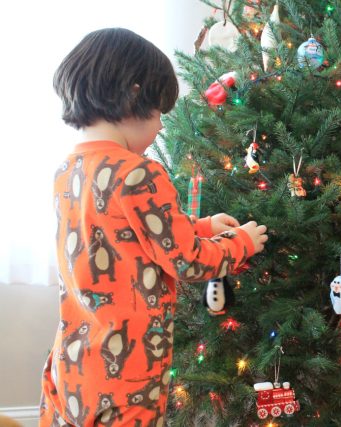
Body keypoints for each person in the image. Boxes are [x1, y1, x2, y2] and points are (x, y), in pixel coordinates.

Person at [40, 28, 268, 426]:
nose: (162, 127)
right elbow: (187, 262)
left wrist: (200, 225)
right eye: (160, 113)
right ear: (133, 95)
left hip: (73, 360)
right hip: (127, 368)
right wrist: (240, 242)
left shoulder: (68, 170)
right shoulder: (139, 172)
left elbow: (120, 233)